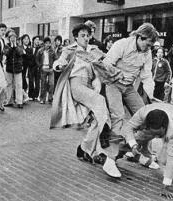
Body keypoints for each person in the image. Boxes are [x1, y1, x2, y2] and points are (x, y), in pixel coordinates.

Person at [51, 23, 123, 178]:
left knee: (100, 117)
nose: (85, 38)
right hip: (76, 84)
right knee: (100, 101)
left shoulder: (93, 50)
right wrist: (58, 66)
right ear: (76, 37)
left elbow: (107, 60)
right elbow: (60, 61)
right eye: (82, 35)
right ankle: (105, 134)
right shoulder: (70, 49)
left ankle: (84, 148)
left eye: (88, 35)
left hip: (91, 85)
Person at [100, 23, 159, 177]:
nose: (148, 48)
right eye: (147, 44)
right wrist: (117, 73)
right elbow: (106, 63)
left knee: (146, 116)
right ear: (140, 37)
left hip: (128, 87)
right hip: (113, 84)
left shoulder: (147, 53)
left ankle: (141, 152)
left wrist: (150, 94)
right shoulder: (122, 44)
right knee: (118, 117)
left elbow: (146, 76)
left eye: (151, 45)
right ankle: (110, 160)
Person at [121, 103, 173, 199]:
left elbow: (172, 157)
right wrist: (133, 145)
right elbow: (128, 127)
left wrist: (166, 186)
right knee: (131, 139)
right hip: (153, 121)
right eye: (153, 133)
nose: (156, 137)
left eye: (158, 133)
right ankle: (118, 155)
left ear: (164, 128)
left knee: (164, 159)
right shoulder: (143, 113)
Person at [4, 31, 24, 108]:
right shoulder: (6, 46)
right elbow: (6, 53)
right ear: (9, 38)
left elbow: (20, 53)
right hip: (9, 68)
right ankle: (9, 101)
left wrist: (15, 46)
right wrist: (11, 47)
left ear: (16, 38)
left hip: (18, 68)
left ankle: (19, 101)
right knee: (9, 84)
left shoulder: (19, 46)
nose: (12, 39)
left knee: (18, 85)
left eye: (14, 37)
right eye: (11, 37)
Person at [37, 37, 56, 104]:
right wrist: (40, 66)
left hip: (50, 69)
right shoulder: (40, 51)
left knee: (51, 84)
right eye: (46, 43)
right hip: (43, 69)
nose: (48, 44)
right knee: (43, 84)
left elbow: (55, 59)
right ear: (44, 44)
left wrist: (53, 66)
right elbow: (37, 59)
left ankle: (50, 98)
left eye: (49, 43)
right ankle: (42, 98)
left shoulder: (52, 51)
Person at [28, 35, 42, 101]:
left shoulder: (40, 49)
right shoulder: (30, 48)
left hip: (38, 67)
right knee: (31, 81)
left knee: (37, 81)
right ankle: (30, 95)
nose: (37, 41)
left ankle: (36, 95)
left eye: (38, 40)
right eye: (36, 39)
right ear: (33, 41)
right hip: (31, 67)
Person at [21, 34, 32, 101]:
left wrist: (25, 53)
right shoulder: (20, 47)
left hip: (26, 67)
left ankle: (24, 95)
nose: (26, 40)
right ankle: (23, 96)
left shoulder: (30, 49)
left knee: (24, 79)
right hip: (20, 66)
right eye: (25, 39)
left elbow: (30, 57)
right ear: (22, 40)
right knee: (21, 80)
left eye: (28, 39)